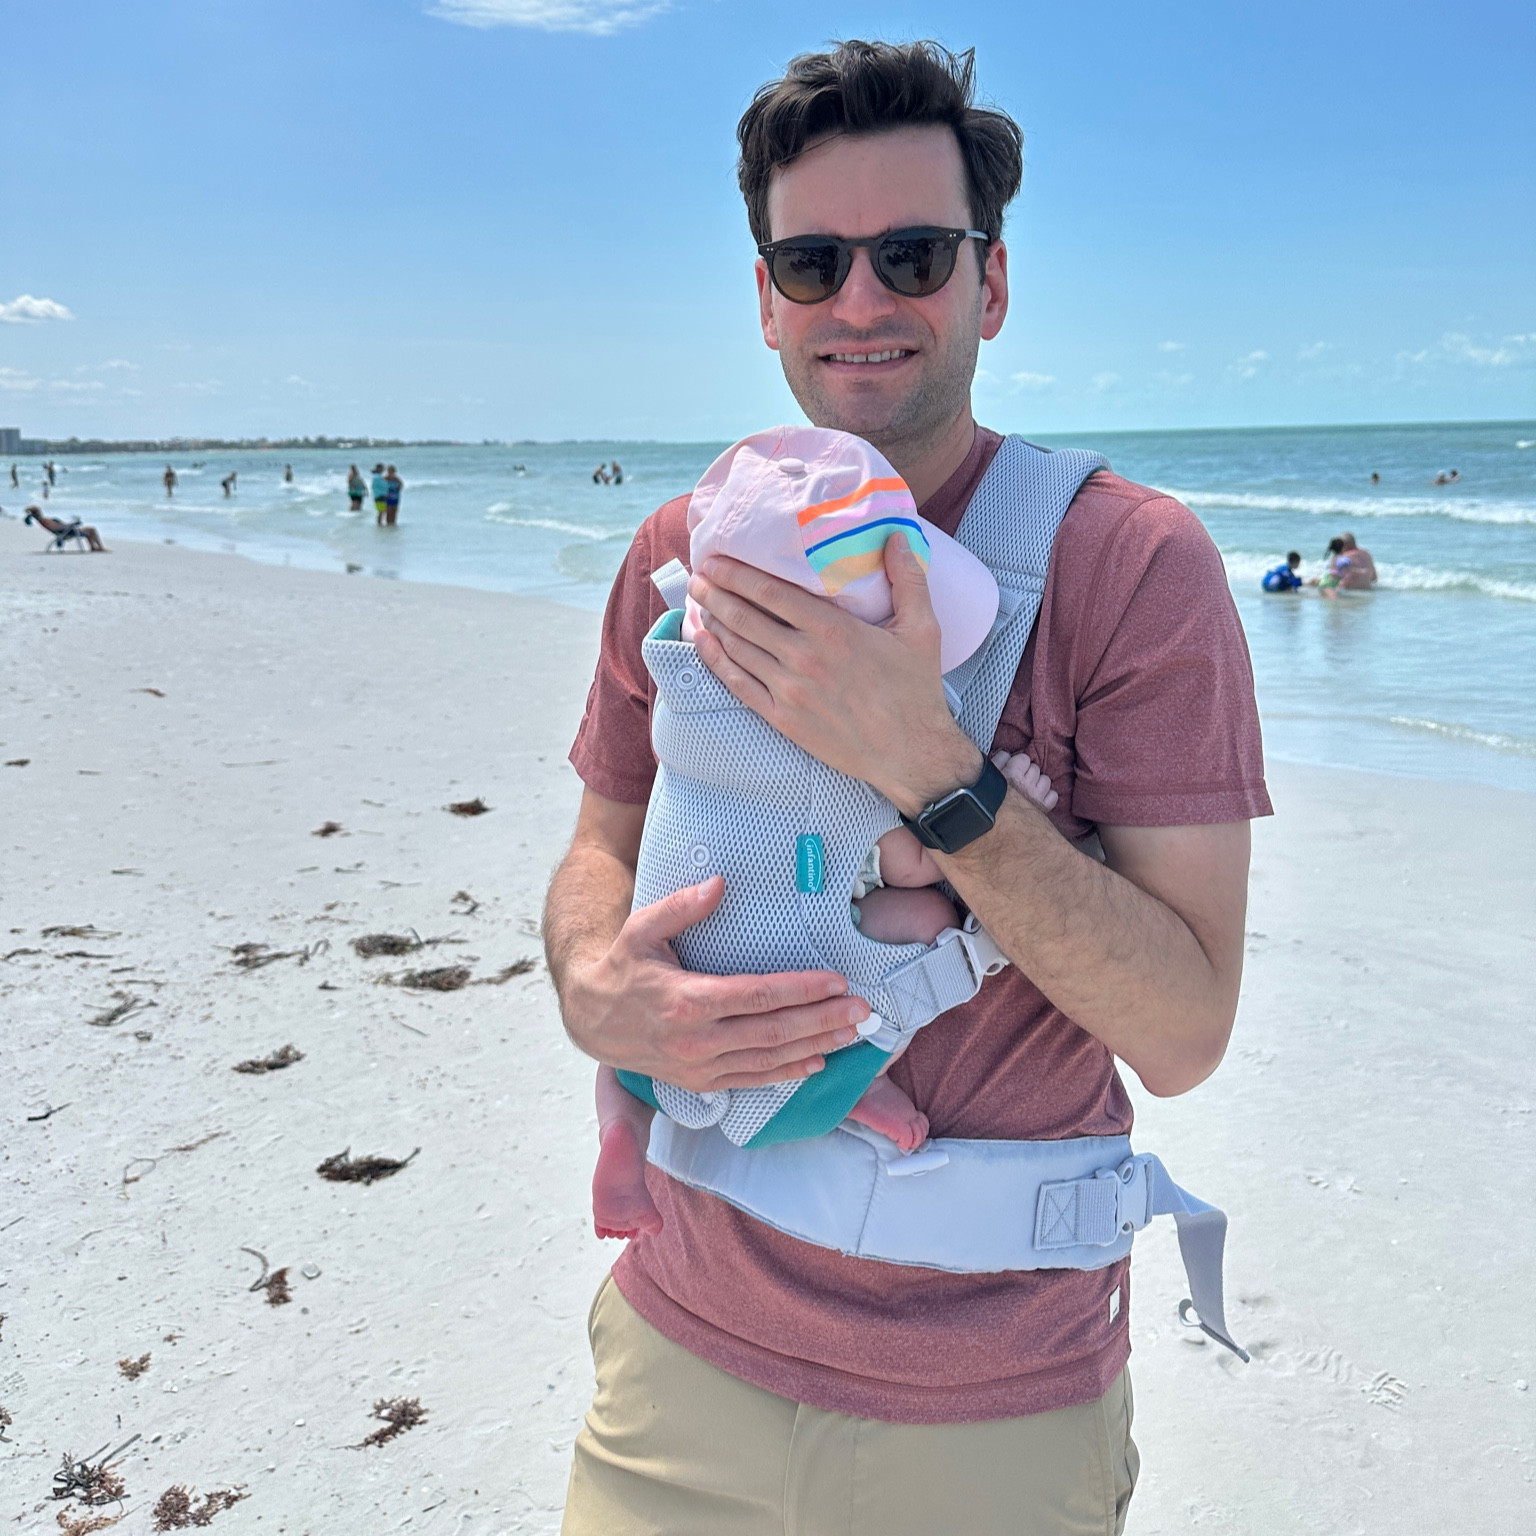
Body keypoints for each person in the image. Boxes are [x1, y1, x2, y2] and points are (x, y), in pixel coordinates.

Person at [544, 40, 1270, 1536]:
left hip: (994, 1407)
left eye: (912, 255)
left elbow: (1186, 1027)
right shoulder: (690, 546)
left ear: (990, 286)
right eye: (812, 262)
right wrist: (590, 991)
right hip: (679, 1347)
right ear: (764, 300)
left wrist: (928, 764)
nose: (860, 302)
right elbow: (596, 851)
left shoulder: (1130, 566)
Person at [590, 425, 1064, 1238]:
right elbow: (913, 866)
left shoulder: (684, 656)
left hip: (662, 980)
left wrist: (592, 997)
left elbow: (605, 837)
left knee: (624, 1061)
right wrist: (998, 796)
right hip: (783, 1012)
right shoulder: (840, 734)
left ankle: (620, 1139)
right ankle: (847, 1092)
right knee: (924, 921)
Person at [24, 505, 106, 551]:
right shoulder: (45, 520)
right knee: (91, 529)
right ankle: (100, 547)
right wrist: (72, 524)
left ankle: (93, 547)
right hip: (66, 532)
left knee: (88, 530)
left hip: (65, 531)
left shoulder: (42, 521)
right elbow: (58, 527)